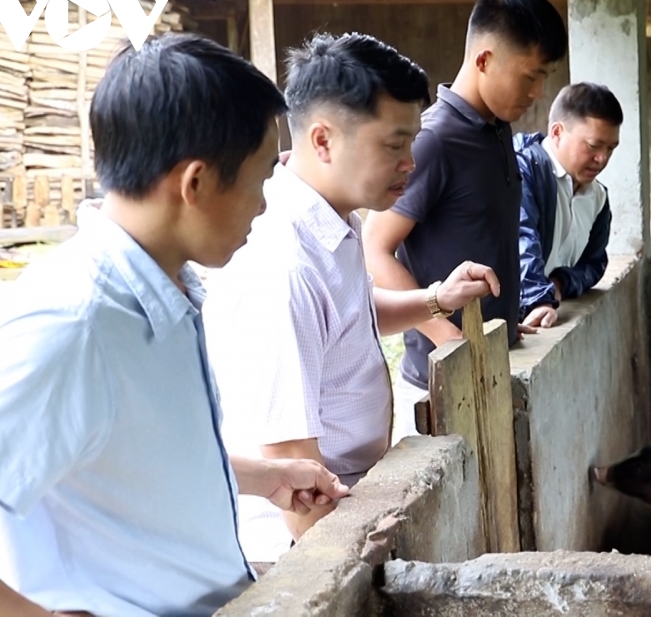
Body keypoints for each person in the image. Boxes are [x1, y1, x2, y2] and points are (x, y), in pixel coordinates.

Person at [0, 32, 346, 617]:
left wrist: (263, 476)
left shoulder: (166, 291)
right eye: (260, 181)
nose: (264, 206)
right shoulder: (75, 321)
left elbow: (126, 462)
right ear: (195, 183)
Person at [202, 32, 501, 569]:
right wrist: (345, 576)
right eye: (393, 145)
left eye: (411, 143)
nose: (410, 163)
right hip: (298, 546)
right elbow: (291, 466)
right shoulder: (285, 264)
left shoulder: (334, 222)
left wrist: (436, 299)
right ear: (323, 140)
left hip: (344, 503)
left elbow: (350, 316)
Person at [363, 0, 568, 438]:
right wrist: (446, 336)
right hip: (441, 382)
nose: (537, 93)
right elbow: (374, 251)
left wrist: (505, 319)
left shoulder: (498, 131)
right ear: (484, 60)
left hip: (490, 365)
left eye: (545, 77)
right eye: (530, 77)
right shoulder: (433, 140)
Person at [513, 82, 622, 329]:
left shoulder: (598, 196)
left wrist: (560, 283)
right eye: (593, 145)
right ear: (557, 132)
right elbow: (520, 237)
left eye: (611, 148)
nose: (602, 158)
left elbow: (595, 263)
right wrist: (538, 299)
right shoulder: (523, 172)